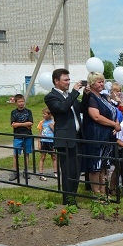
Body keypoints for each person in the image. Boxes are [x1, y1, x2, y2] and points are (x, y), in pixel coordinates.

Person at [44, 68, 84, 205]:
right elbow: (61, 109)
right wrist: (74, 93)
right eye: (65, 80)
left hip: (77, 137)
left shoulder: (69, 95)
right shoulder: (51, 96)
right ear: (56, 81)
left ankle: (73, 196)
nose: (68, 82)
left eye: (69, 79)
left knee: (77, 170)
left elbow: (80, 108)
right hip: (65, 139)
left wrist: (87, 95)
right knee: (68, 171)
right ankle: (68, 201)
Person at [81, 72, 121, 195]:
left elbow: (113, 110)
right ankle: (97, 192)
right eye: (99, 82)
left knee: (104, 164)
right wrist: (113, 124)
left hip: (108, 135)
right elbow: (96, 117)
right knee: (96, 165)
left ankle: (104, 190)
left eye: (102, 81)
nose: (101, 84)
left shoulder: (103, 97)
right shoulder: (91, 98)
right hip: (96, 134)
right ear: (92, 83)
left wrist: (116, 123)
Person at [9, 94, 34, 181]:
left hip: (27, 135)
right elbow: (13, 125)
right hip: (17, 136)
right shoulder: (13, 112)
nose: (21, 103)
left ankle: (26, 171)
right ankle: (15, 172)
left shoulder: (28, 111)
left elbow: (31, 123)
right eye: (19, 102)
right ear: (16, 102)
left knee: (26, 153)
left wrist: (20, 124)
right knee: (16, 154)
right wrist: (25, 124)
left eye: (22, 101)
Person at [37, 108, 57, 180]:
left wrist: (52, 127)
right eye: (43, 114)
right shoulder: (42, 122)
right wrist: (39, 143)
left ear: (50, 115)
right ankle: (41, 173)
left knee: (54, 156)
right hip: (44, 141)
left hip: (51, 141)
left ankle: (55, 172)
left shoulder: (54, 122)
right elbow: (39, 133)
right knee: (42, 157)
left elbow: (57, 132)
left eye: (44, 114)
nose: (43, 115)